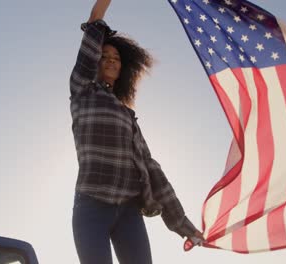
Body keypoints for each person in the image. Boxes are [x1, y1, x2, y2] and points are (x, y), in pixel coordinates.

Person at [69, 1, 205, 263]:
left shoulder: (127, 116)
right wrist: (101, 9)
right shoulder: (83, 90)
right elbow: (95, 22)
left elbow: (153, 171)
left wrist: (186, 229)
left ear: (123, 70)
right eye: (104, 56)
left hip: (129, 211)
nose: (110, 61)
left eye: (116, 59)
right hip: (91, 206)